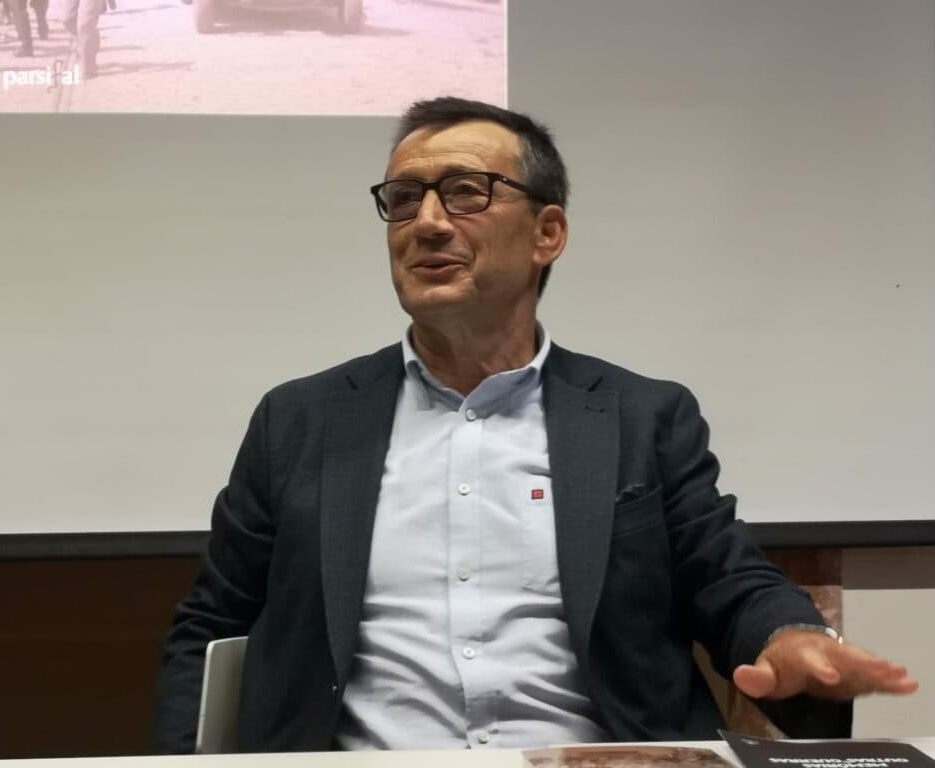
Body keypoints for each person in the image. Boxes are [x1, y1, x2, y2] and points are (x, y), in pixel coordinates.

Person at [153, 97, 917, 754]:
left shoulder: (641, 415)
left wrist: (791, 639)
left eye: (465, 193)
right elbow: (211, 628)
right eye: (405, 198)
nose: (426, 223)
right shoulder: (302, 419)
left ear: (547, 233)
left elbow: (728, 580)